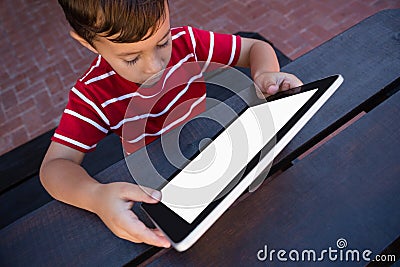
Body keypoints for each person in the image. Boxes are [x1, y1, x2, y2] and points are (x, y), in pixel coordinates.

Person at [40, 0, 302, 248]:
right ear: (87, 42)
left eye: (162, 42)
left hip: (219, 149)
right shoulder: (93, 95)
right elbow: (54, 167)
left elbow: (256, 48)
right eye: (131, 58)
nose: (155, 66)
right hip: (168, 186)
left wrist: (266, 74)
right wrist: (96, 197)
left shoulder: (185, 42)